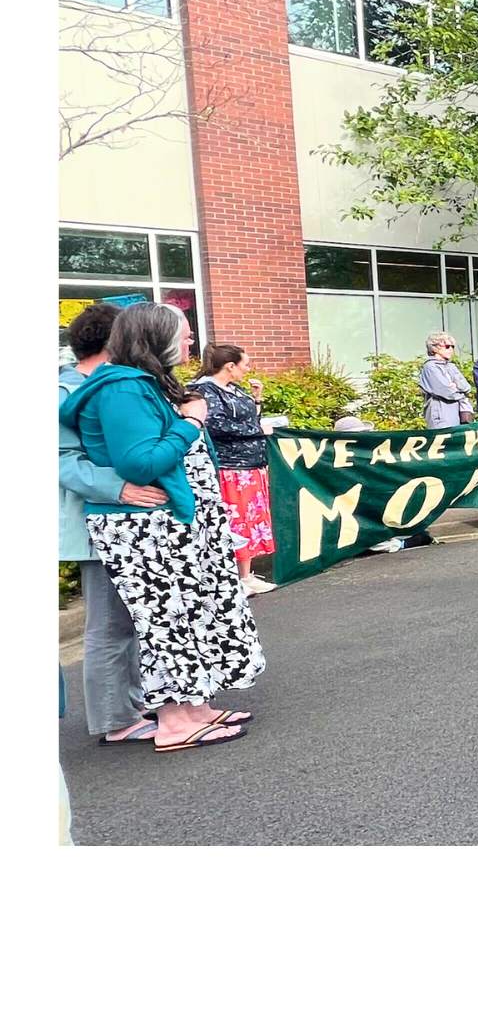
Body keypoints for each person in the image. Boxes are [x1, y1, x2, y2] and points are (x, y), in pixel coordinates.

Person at [58, 302, 264, 750]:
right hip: (144, 529)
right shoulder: (122, 389)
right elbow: (140, 461)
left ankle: (193, 708)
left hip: (166, 525)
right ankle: (168, 722)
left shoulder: (143, 384)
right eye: (184, 332)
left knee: (188, 617)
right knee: (163, 622)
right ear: (155, 337)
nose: (191, 341)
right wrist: (191, 421)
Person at [60, 303, 161, 745]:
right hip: (94, 525)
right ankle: (115, 720)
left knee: (127, 620)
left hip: (121, 523)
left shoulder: (104, 386)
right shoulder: (64, 391)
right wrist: (119, 489)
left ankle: (130, 704)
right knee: (109, 624)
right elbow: (61, 460)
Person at [193, 343, 277, 593]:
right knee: (236, 519)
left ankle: (245, 575)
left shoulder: (232, 389)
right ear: (230, 366)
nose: (248, 369)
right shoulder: (205, 390)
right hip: (230, 465)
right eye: (245, 364)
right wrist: (256, 431)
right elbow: (214, 425)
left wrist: (257, 400)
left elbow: (248, 418)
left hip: (249, 463)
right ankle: (233, 578)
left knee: (248, 519)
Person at [419, 331, 472, 428]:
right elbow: (445, 391)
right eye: (447, 346)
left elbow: (466, 387)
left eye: (453, 346)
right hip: (440, 414)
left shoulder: (451, 366)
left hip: (457, 414)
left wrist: (455, 387)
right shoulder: (430, 367)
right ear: (434, 348)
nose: (451, 349)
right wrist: (457, 391)